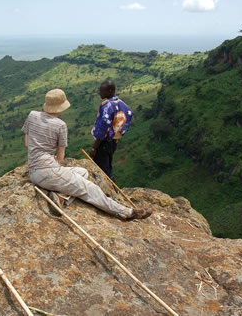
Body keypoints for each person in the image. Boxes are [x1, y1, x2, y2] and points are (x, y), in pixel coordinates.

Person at [22, 88, 151, 220]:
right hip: (48, 171)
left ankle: (61, 197)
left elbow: (28, 143)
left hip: (33, 171)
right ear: (60, 107)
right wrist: (54, 166)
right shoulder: (60, 125)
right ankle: (127, 212)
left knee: (83, 173)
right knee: (89, 188)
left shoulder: (32, 115)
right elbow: (60, 157)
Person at [90, 80, 133, 180]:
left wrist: (94, 148)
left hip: (103, 143)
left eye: (102, 91)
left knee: (102, 169)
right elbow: (129, 115)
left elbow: (102, 130)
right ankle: (112, 188)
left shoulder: (107, 106)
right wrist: (118, 133)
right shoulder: (123, 105)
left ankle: (108, 191)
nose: (100, 93)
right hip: (114, 142)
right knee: (108, 165)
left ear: (109, 91)